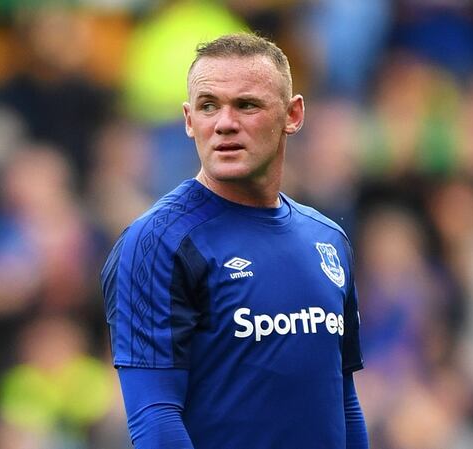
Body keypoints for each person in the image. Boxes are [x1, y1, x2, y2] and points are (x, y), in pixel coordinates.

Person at [100, 32, 369, 448]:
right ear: (189, 121)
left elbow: (344, 401)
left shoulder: (328, 239)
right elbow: (155, 420)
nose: (225, 123)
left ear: (292, 115)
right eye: (209, 106)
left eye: (246, 105)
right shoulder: (156, 244)